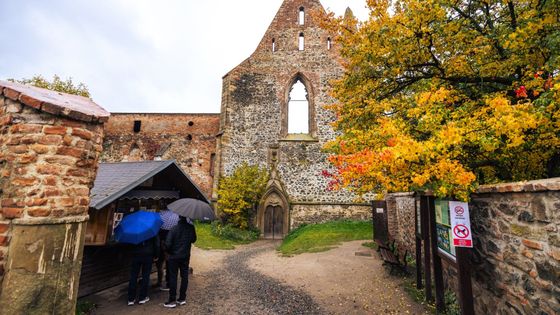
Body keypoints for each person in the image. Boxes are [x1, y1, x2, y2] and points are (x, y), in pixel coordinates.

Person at [163, 216, 197, 308]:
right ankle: (182, 298)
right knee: (184, 276)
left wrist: (168, 250)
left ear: (178, 217)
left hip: (174, 257)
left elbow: (168, 244)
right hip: (185, 255)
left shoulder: (174, 229)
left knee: (173, 277)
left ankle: (172, 300)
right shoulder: (191, 228)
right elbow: (194, 240)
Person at [127, 234, 159, 306]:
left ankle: (131, 299)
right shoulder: (151, 228)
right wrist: (156, 255)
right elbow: (157, 244)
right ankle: (142, 297)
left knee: (133, 276)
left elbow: (129, 243)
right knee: (146, 276)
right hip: (148, 254)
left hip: (136, 254)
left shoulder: (134, 228)